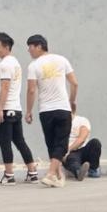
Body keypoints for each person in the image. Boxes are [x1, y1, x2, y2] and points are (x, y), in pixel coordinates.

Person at [24, 34, 76, 188]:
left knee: (52, 143)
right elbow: (74, 83)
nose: (29, 50)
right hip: (63, 108)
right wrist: (72, 101)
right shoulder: (62, 60)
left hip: (46, 111)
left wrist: (28, 111)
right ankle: (54, 174)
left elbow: (31, 90)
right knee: (61, 144)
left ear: (39, 46)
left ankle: (54, 175)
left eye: (30, 47)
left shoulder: (33, 66)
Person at [0, 32, 38, 185]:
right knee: (19, 141)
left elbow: (5, 87)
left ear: (7, 47)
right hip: (16, 109)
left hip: (5, 109)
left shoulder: (5, 65)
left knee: (4, 142)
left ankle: (9, 175)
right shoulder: (15, 63)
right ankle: (32, 172)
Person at [62, 104, 102, 180]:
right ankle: (79, 172)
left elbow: (82, 139)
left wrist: (68, 149)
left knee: (95, 142)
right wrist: (62, 154)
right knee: (72, 160)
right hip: (71, 154)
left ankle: (94, 169)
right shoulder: (59, 125)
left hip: (83, 149)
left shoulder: (81, 120)